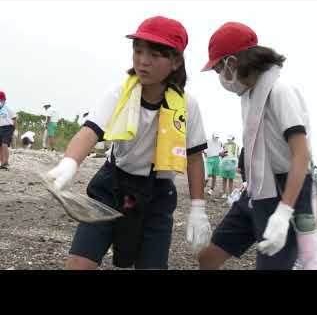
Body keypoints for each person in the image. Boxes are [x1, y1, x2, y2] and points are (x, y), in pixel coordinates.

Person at [45, 15, 211, 270]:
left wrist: (198, 208)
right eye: (138, 51)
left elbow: (193, 157)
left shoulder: (187, 105)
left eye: (155, 55)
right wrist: (69, 163)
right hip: (111, 187)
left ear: (176, 60)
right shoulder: (119, 94)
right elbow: (90, 131)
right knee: (79, 263)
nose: (143, 61)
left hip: (157, 195)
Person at [198, 22, 317, 270]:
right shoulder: (249, 94)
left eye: (217, 69)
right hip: (256, 188)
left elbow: (301, 155)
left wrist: (285, 211)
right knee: (208, 257)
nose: (219, 78)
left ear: (232, 63)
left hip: (285, 189)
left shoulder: (280, 92)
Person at [0, 91, 17, 170]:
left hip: (8, 127)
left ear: (4, 100)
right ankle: (2, 162)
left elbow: (14, 119)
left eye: (1, 100)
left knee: (4, 144)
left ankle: (5, 163)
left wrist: (14, 130)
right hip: (0, 128)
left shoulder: (8, 109)